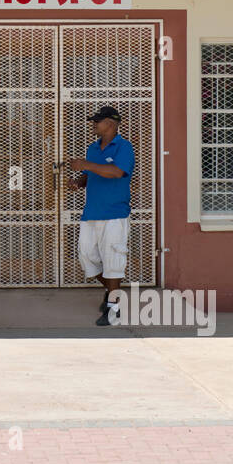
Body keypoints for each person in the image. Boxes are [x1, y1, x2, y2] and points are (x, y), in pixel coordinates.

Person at [66, 106, 135, 327]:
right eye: (93, 120)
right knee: (87, 256)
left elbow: (116, 172)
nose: (93, 124)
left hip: (115, 213)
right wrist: (79, 181)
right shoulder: (92, 148)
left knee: (113, 260)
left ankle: (114, 308)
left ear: (112, 124)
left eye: (98, 120)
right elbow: (90, 175)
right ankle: (112, 291)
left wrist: (85, 165)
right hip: (92, 213)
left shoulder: (124, 147)